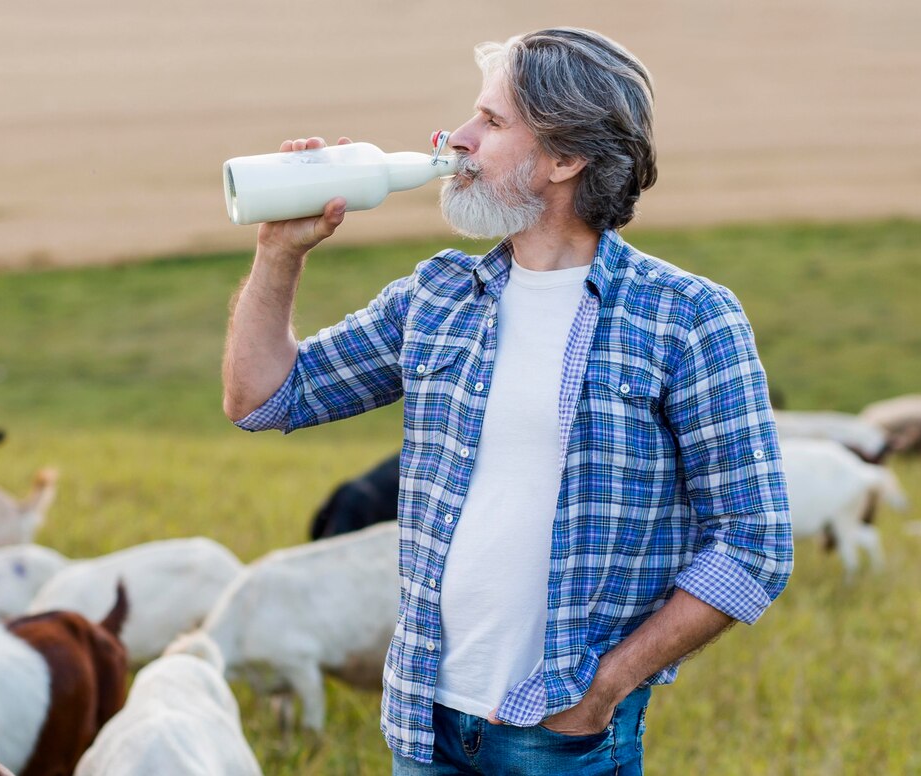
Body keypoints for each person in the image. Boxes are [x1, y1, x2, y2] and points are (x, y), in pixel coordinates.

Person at [221, 27, 793, 775]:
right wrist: (280, 252)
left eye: (491, 122)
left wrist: (605, 689)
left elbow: (755, 541)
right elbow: (262, 397)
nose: (456, 139)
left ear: (564, 158)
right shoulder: (437, 296)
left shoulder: (686, 317)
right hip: (423, 724)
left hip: (560, 736)